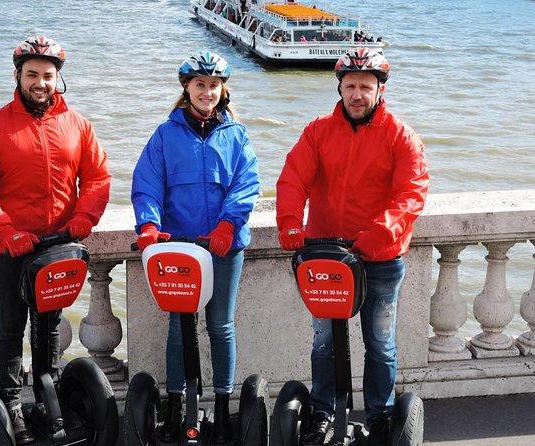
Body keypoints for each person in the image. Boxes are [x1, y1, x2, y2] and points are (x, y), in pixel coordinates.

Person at [275, 47, 429, 446]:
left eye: (365, 86)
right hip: (325, 254)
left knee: (379, 344)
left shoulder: (401, 136)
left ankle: (379, 416)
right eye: (350, 86)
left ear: (380, 89)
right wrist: (291, 223)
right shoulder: (318, 131)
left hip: (380, 257)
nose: (357, 94)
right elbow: (293, 180)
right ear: (340, 88)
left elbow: (411, 194)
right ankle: (323, 412)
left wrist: (380, 233)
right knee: (324, 340)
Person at [0, 36, 111, 444]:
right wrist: (5, 230)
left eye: (48, 75)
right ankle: (10, 401)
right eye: (32, 74)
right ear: (18, 76)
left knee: (48, 326)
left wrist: (84, 216)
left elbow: (97, 177)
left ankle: (49, 394)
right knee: (10, 325)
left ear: (58, 79)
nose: (40, 82)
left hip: (57, 244)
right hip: (9, 246)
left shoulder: (78, 125)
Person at [131, 50, 260, 444]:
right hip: (179, 247)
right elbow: (147, 183)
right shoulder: (165, 135)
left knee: (220, 326)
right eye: (200, 85)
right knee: (178, 328)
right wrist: (149, 225)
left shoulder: (236, 135)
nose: (207, 92)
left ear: (223, 91)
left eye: (214, 86)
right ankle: (176, 406)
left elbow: (247, 183)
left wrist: (228, 222)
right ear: (186, 89)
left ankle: (221, 407)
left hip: (223, 245)